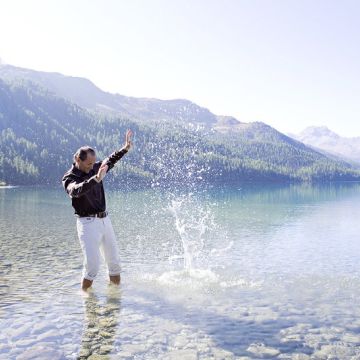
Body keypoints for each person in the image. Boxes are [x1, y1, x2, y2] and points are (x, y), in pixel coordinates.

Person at [62, 130, 133, 291]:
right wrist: (96, 179)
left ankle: (115, 301)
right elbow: (76, 191)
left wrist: (125, 148)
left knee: (114, 264)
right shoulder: (69, 178)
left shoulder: (95, 167)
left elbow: (109, 160)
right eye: (88, 164)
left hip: (105, 221)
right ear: (77, 159)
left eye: (93, 163)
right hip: (87, 224)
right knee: (92, 267)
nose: (92, 167)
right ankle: (87, 302)